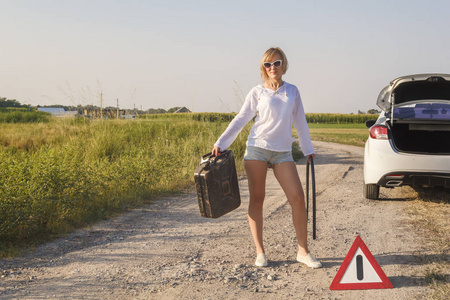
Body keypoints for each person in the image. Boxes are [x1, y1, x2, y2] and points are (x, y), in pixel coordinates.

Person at [211, 47, 322, 268]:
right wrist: (221, 143)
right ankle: (260, 252)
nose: (272, 68)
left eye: (276, 63)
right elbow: (241, 119)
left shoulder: (292, 91)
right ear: (263, 67)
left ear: (284, 65)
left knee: (298, 198)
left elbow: (300, 121)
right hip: (257, 148)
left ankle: (303, 251)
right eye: (268, 64)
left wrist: (308, 149)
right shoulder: (257, 92)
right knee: (258, 198)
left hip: (282, 152)